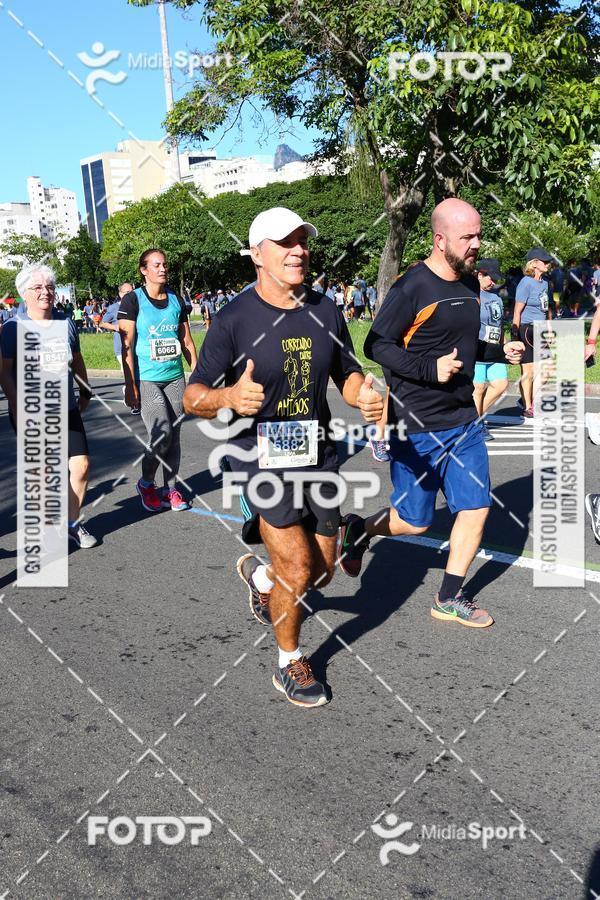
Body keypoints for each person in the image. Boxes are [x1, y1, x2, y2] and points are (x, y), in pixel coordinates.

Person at [183, 206, 384, 707]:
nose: (298, 250)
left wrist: (363, 395)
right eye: (285, 242)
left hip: (317, 454)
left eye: (302, 241)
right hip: (260, 460)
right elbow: (193, 396)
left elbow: (347, 373)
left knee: (321, 571)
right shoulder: (233, 318)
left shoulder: (326, 310)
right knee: (298, 569)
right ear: (257, 254)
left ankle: (261, 578)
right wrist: (228, 398)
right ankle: (289, 660)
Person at [339, 198, 523, 628]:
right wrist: (429, 369)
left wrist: (499, 351)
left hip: (463, 421)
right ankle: (360, 530)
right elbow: (377, 345)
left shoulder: (470, 285)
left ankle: (449, 596)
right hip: (417, 426)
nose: (477, 244)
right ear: (440, 240)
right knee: (414, 522)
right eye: (468, 237)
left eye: (479, 234)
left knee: (476, 508)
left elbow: (460, 344)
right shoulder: (412, 288)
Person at [0, 263, 97, 549]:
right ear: (24, 294)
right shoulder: (13, 328)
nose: (46, 292)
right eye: (38, 287)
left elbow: (76, 359)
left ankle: (71, 525)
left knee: (81, 467)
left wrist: (85, 391)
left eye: (50, 287)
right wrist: (18, 406)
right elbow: (4, 370)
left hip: (65, 407)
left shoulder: (65, 321)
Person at [118, 249, 198, 512]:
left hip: (174, 377)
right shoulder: (133, 300)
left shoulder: (176, 299)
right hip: (147, 379)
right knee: (161, 433)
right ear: (144, 270)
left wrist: (197, 376)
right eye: (156, 265)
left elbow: (186, 340)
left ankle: (172, 489)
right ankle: (147, 483)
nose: (163, 269)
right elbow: (127, 346)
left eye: (165, 264)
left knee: (174, 437)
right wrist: (131, 386)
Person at [511, 248, 553, 417]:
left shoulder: (545, 283)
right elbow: (517, 312)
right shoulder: (526, 283)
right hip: (527, 329)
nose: (548, 264)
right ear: (534, 263)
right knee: (528, 370)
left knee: (547, 369)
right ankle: (528, 406)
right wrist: (515, 336)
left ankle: (529, 399)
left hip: (541, 328)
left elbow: (546, 309)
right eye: (544, 261)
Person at [472, 259, 508, 441]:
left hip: (495, 348)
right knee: (478, 387)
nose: (493, 282)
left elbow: (499, 323)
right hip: (477, 346)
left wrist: (504, 344)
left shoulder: (496, 297)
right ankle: (477, 424)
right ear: (479, 274)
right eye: (490, 278)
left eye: (495, 278)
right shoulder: (471, 294)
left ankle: (475, 417)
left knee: (501, 384)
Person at [101, 281, 139, 415]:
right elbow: (103, 323)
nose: (130, 295)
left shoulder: (137, 306)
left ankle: (133, 394)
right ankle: (133, 403)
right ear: (120, 294)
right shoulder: (113, 308)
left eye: (132, 292)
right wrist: (116, 327)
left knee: (139, 375)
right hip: (121, 348)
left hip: (137, 345)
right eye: (127, 293)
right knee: (130, 374)